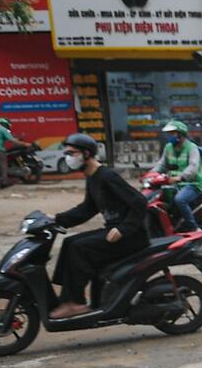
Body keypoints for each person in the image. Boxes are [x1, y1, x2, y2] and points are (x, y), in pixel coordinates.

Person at [49, 132, 151, 319]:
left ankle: (75, 303)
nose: (68, 158)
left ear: (87, 154)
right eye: (67, 154)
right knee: (69, 243)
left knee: (79, 249)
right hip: (113, 231)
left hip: (131, 236)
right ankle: (68, 299)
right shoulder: (93, 177)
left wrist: (124, 229)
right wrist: (56, 219)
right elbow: (88, 208)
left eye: (72, 153)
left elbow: (139, 202)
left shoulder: (106, 176)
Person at [150, 121, 202, 232]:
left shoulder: (192, 147)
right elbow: (161, 165)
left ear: (181, 134)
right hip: (173, 184)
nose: (170, 136)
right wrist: (151, 174)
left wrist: (181, 177)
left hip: (192, 183)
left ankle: (193, 227)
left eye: (173, 133)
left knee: (180, 200)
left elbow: (193, 167)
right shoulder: (168, 147)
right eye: (169, 134)